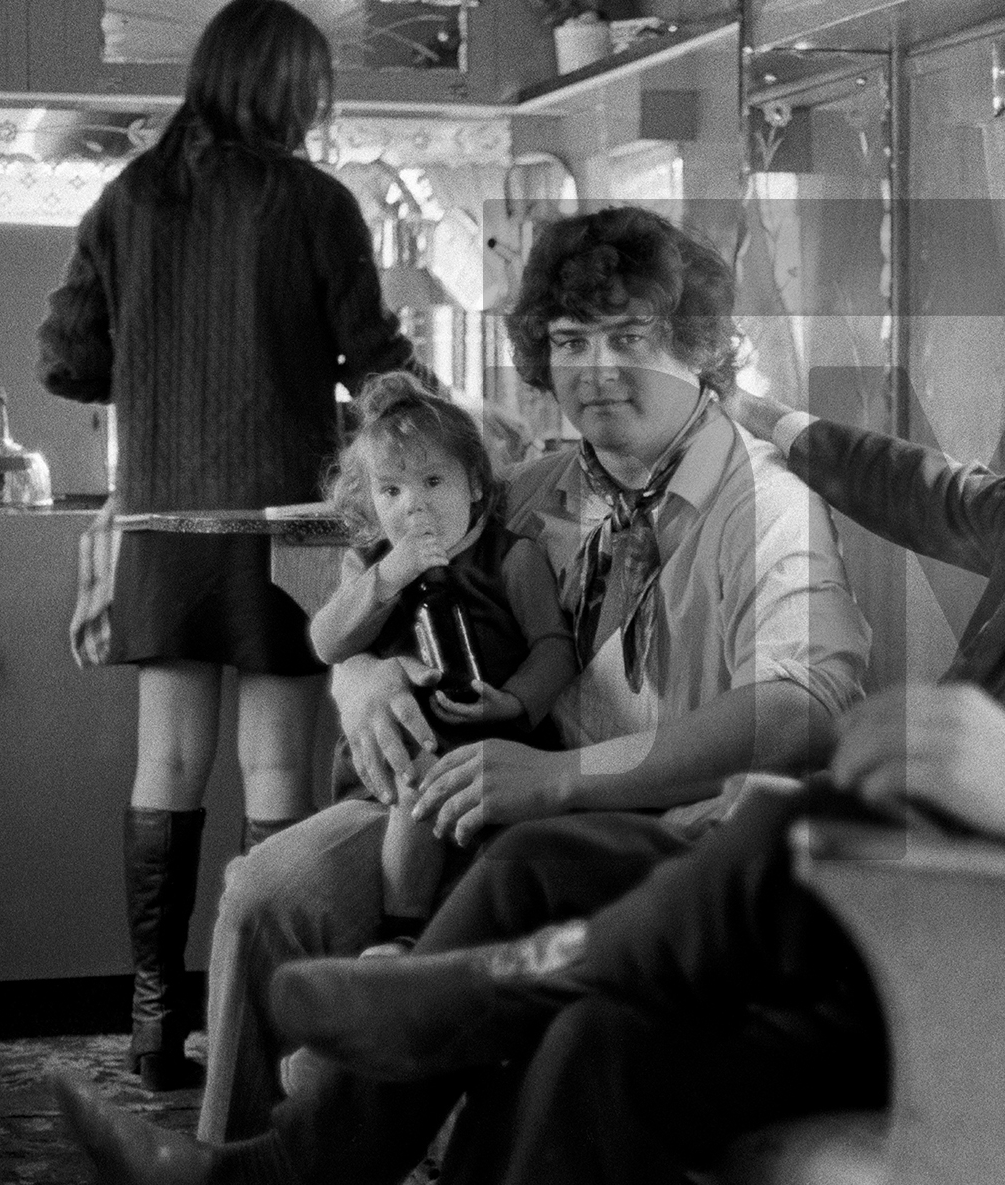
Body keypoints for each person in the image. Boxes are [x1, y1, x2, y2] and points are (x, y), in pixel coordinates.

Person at [49, 242, 1005, 1183]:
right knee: (370, 888)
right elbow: (918, 485)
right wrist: (358, 667)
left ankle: (424, 1014)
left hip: (928, 936)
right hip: (562, 801)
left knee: (587, 981)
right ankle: (275, 1162)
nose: (599, 373)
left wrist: (843, 803)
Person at [192, 204, 873, 1141]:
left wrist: (559, 779)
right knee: (266, 893)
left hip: (658, 829)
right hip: (476, 791)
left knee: (497, 934)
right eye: (569, 340)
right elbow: (369, 558)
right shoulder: (539, 485)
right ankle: (232, 1158)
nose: (596, 369)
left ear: (699, 348)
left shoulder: (768, 505)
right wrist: (361, 676)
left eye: (629, 337)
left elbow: (803, 709)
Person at [36, 0, 416, 1091]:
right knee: (276, 765)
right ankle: (260, 1015)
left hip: (164, 519)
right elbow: (372, 359)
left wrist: (159, 361)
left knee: (166, 763)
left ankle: (153, 1024)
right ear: (290, 90)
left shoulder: (130, 198)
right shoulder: (316, 203)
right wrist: (440, 434)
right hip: (286, 526)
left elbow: (68, 361)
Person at [311, 371, 578, 951]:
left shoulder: (513, 557)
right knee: (417, 783)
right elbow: (328, 642)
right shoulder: (370, 564)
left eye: (433, 481)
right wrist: (387, 576)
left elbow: (554, 648)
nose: (415, 506)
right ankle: (401, 932)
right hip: (401, 751)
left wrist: (514, 701)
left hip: (494, 738)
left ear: (475, 485)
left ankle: (409, 935)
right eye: (392, 491)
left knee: (436, 790)